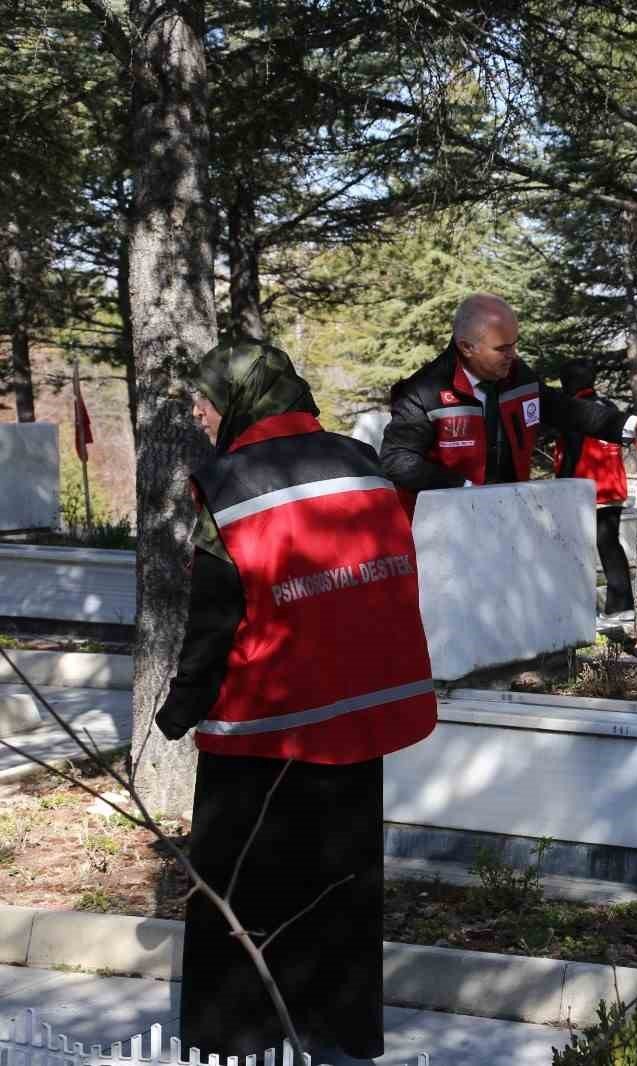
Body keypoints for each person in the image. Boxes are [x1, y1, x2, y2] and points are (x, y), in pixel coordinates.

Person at [156, 341, 438, 1063]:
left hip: (264, 728)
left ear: (245, 401)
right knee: (340, 889)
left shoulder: (228, 484)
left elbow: (216, 618)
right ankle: (338, 1033)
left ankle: (236, 1040)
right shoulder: (360, 460)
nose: (198, 410)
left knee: (242, 894)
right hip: (356, 718)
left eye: (208, 398)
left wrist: (181, 708)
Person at [380, 293, 637, 511]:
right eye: (502, 348)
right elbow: (396, 460)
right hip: (442, 528)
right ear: (467, 347)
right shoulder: (423, 392)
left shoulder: (516, 376)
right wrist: (464, 489)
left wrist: (634, 425)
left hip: (507, 517)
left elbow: (564, 409)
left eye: (515, 344)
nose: (513, 355)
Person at [554, 360, 634, 623]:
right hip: (613, 488)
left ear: (569, 384)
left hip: (584, 491)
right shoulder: (608, 407)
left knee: (579, 550)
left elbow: (572, 453)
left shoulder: (575, 411)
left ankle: (581, 608)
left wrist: (559, 485)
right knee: (610, 547)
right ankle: (621, 606)